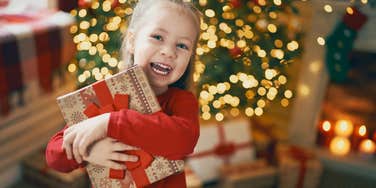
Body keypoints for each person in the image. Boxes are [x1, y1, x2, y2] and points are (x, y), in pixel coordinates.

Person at [45, 0, 202, 187]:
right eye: (158, 37)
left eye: (182, 46)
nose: (169, 52)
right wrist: (88, 150)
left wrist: (109, 123)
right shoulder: (106, 97)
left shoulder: (182, 101)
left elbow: (183, 140)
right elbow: (54, 156)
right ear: (131, 42)